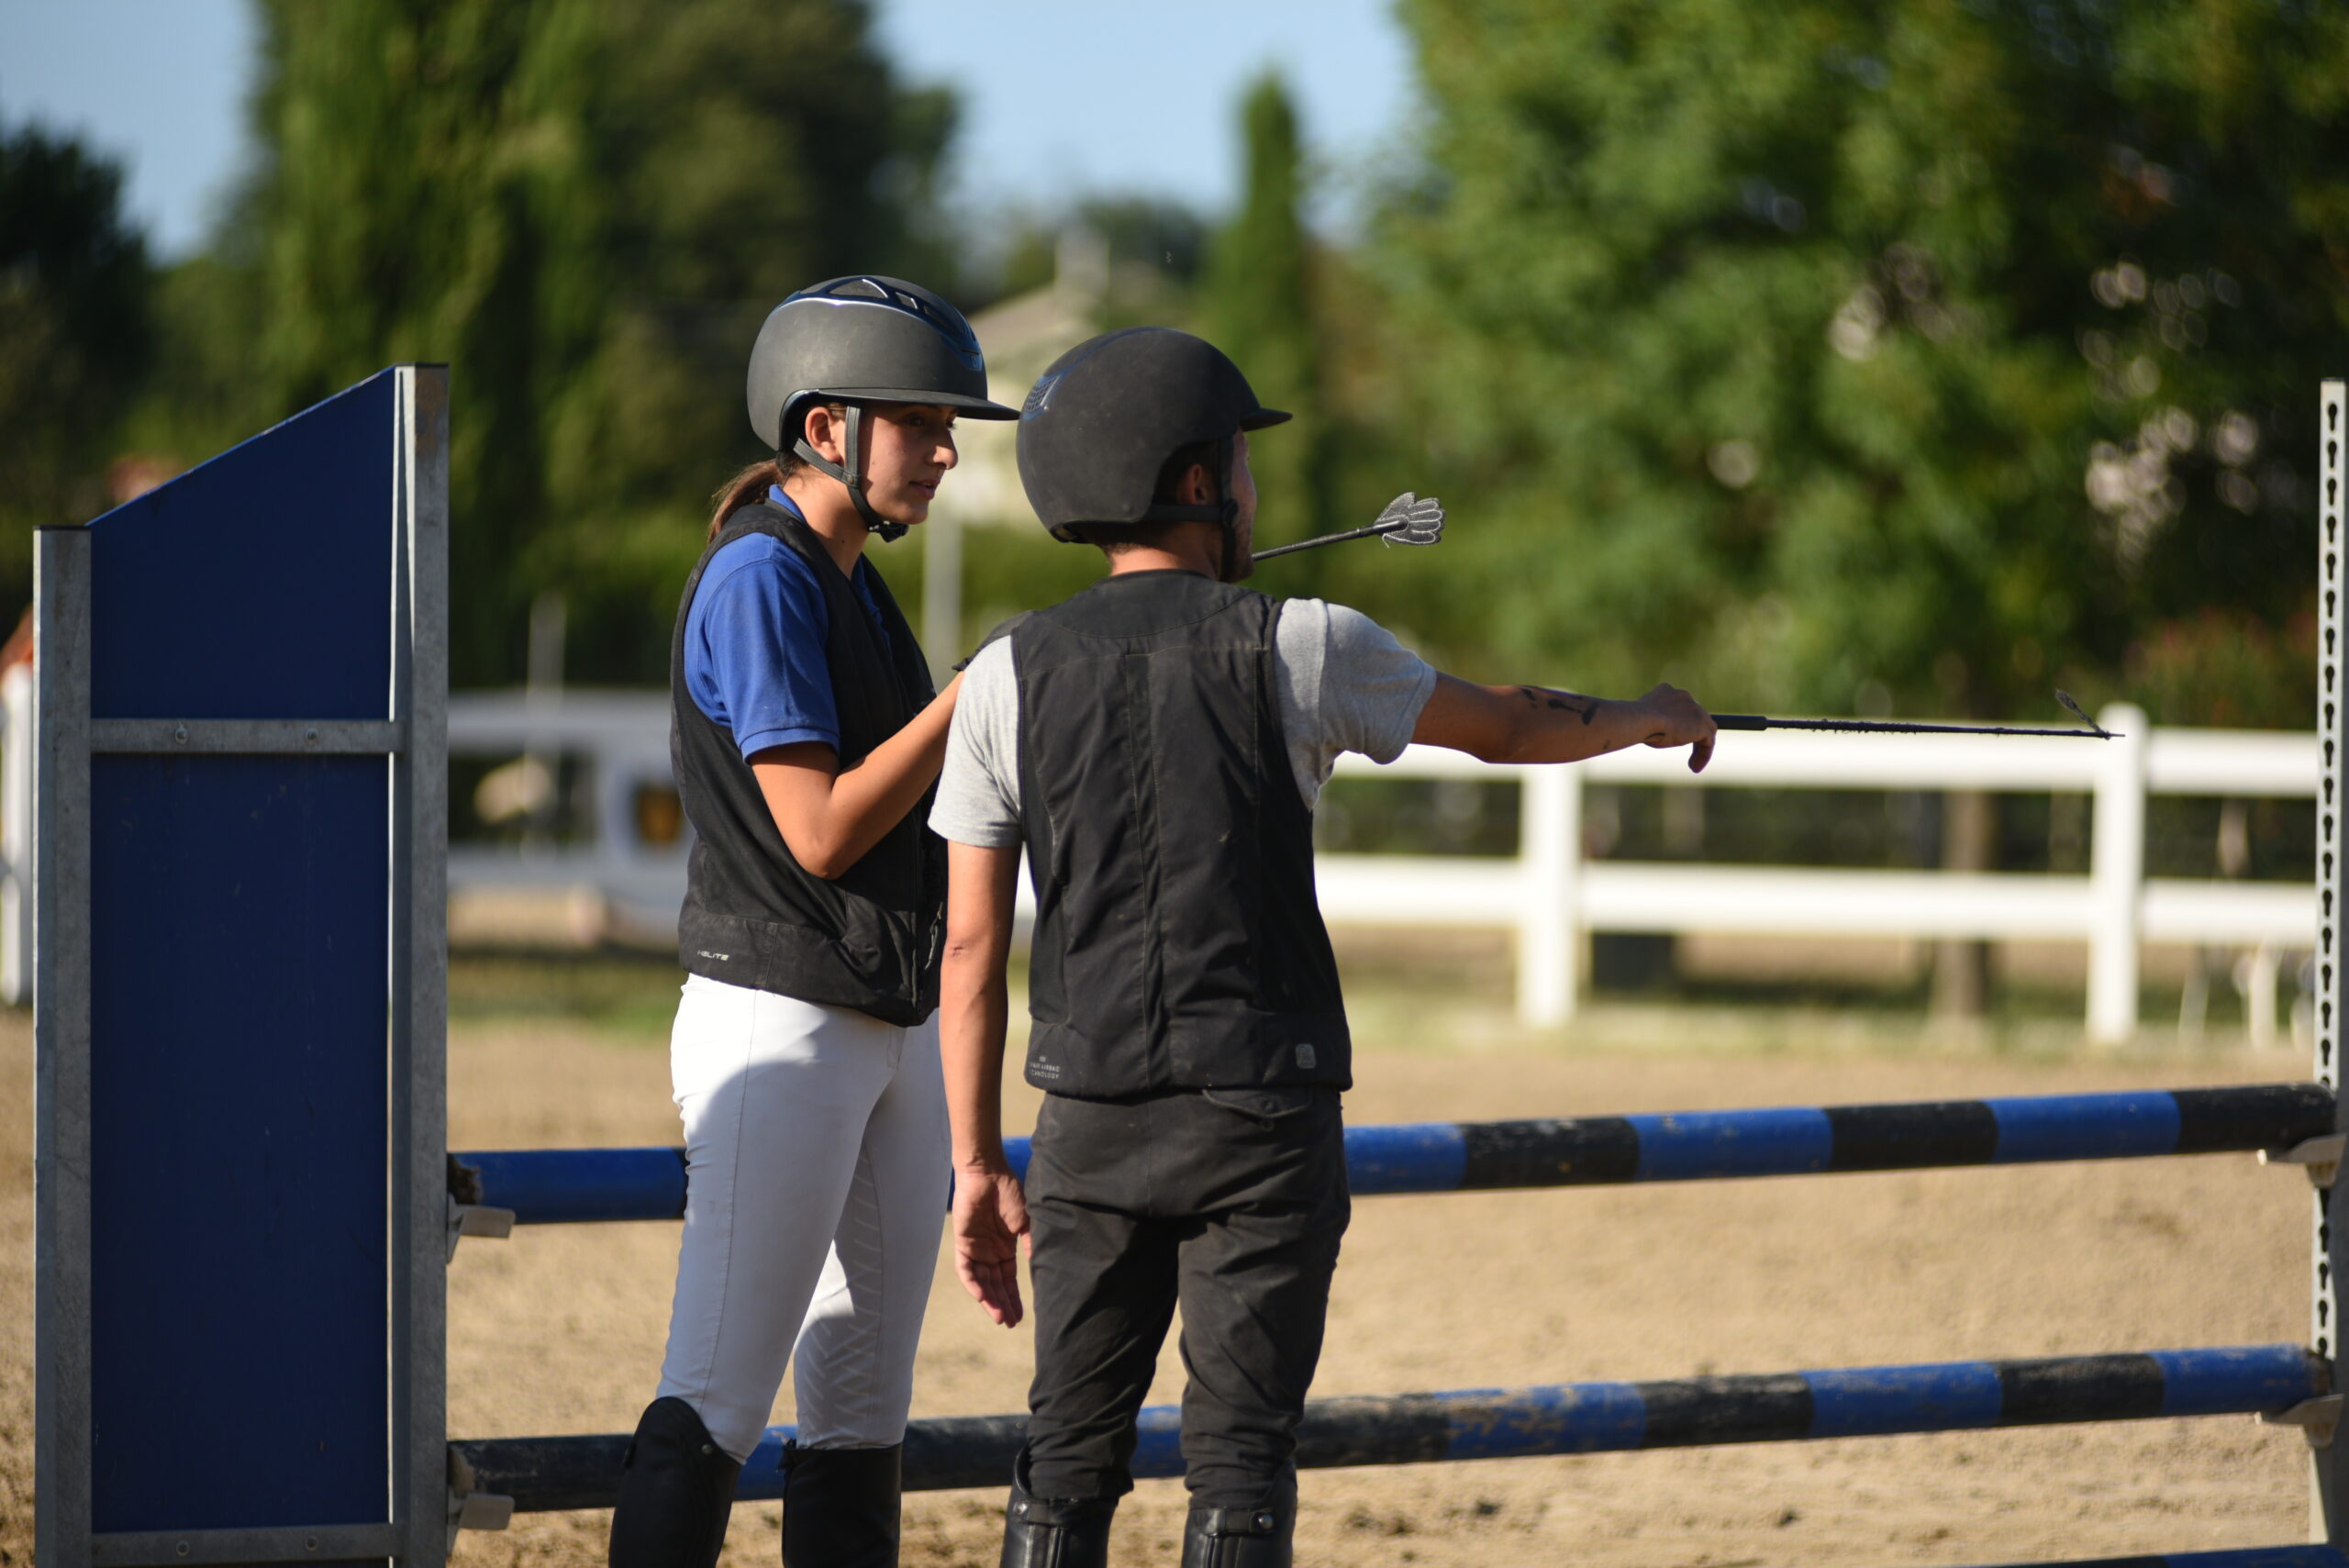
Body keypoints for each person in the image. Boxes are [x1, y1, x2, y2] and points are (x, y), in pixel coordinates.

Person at [930, 327, 1719, 1567]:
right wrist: (1645, 718)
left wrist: (976, 1164)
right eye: (1240, 466)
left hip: (1089, 1124)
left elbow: (970, 947)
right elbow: (1507, 724)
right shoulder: (1305, 644)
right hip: (1261, 1119)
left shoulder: (1000, 678)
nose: (1252, 491)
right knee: (1239, 1462)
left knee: (1066, 1457)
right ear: (1195, 485)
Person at [607, 275, 1018, 1568]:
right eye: (921, 424)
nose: (947, 450)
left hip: (886, 1026)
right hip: (776, 1024)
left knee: (857, 1419)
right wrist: (965, 700)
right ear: (826, 423)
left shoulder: (852, 582)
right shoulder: (760, 579)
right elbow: (823, 828)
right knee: (720, 1393)